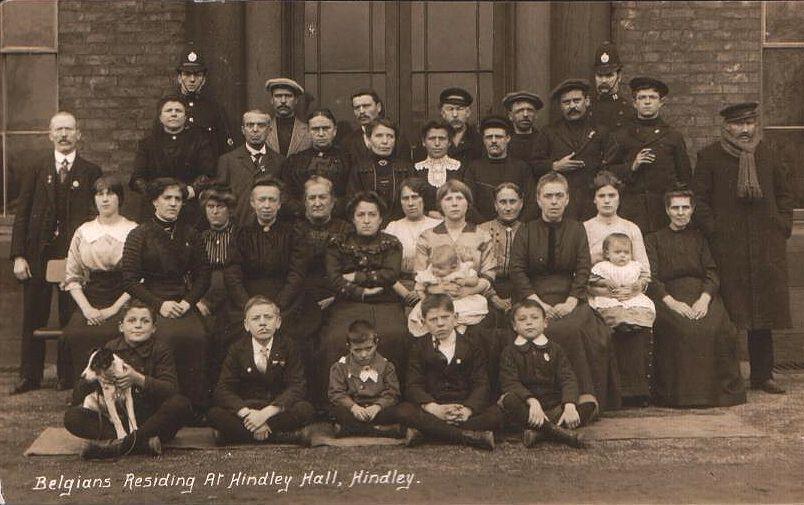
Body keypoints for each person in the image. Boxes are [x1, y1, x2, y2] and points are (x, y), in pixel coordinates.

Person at [693, 101, 795, 395]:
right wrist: (714, 231)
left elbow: (785, 194)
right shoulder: (710, 157)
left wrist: (782, 225)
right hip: (728, 246)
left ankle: (763, 375)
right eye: (739, 124)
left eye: (750, 123)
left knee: (762, 311)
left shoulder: (769, 155)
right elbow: (699, 200)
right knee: (730, 311)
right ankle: (729, 374)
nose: (746, 130)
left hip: (765, 245)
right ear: (727, 128)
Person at [510, 172, 620, 413]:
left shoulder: (576, 229)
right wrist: (536, 303)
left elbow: (583, 268)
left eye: (559, 196)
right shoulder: (526, 231)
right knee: (548, 327)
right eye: (548, 196)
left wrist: (572, 301)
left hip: (570, 296)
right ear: (538, 200)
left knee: (574, 328)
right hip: (533, 297)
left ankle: (583, 397)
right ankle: (549, 400)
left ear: (567, 199)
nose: (554, 202)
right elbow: (517, 271)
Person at [10, 111, 102, 394]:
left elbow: (93, 216)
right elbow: (22, 214)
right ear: (50, 135)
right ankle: (30, 375)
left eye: (69, 129)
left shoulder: (90, 172)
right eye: (59, 130)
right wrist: (19, 256)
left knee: (70, 314)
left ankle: (68, 374)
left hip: (73, 257)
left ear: (78, 134)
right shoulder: (36, 168)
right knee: (33, 314)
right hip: (38, 255)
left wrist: (86, 257)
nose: (64, 135)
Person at [645, 188, 746, 407]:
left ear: (692, 210)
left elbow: (711, 272)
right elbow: (651, 278)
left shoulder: (700, 238)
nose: (680, 213)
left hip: (701, 293)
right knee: (683, 328)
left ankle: (718, 394)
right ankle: (682, 396)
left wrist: (704, 299)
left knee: (717, 326)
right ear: (667, 210)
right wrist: (671, 302)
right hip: (668, 296)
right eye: (675, 208)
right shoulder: (653, 239)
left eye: (685, 207)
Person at [121, 178, 211, 412]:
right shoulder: (139, 234)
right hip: (150, 299)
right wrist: (159, 305)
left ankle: (194, 407)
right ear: (154, 202)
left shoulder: (191, 234)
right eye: (167, 198)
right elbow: (129, 279)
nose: (173, 204)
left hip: (182, 300)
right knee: (165, 339)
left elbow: (203, 276)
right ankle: (159, 405)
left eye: (178, 199)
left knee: (198, 337)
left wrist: (188, 302)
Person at [64, 299, 194, 459]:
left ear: (153, 328)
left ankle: (119, 447)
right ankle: (141, 444)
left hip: (151, 418)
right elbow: (78, 393)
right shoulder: (110, 349)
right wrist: (98, 377)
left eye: (145, 321)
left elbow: (170, 389)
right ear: (121, 326)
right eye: (132, 320)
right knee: (72, 417)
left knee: (181, 404)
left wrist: (138, 378)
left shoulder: (161, 350)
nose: (138, 326)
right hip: (119, 419)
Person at [321, 191, 407, 393]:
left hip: (386, 303)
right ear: (352, 218)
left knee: (396, 335)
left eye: (372, 215)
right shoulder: (337, 243)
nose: (366, 220)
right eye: (361, 215)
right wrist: (362, 292)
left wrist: (356, 276)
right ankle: (341, 398)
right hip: (347, 303)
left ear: (380, 219)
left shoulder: (392, 243)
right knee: (334, 339)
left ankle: (391, 396)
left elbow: (391, 274)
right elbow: (334, 279)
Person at [397, 294, 502, 450]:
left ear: (455, 317)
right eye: (433, 319)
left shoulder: (472, 346)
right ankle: (471, 436)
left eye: (445, 317)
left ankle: (427, 432)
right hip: (433, 407)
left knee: (497, 414)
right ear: (424, 322)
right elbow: (413, 385)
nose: (440, 324)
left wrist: (468, 409)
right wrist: (434, 409)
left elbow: (481, 383)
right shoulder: (418, 347)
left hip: (463, 407)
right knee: (404, 411)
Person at [61, 176, 138, 387]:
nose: (105, 199)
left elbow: (140, 278)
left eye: (110, 193)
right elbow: (72, 276)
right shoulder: (83, 231)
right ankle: (84, 390)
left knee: (120, 332)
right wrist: (87, 309)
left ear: (119, 198)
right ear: (94, 199)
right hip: (92, 296)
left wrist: (113, 310)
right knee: (75, 333)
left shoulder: (133, 230)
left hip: (124, 296)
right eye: (99, 194)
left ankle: (120, 387)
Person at [208, 296, 315, 445]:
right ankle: (283, 436)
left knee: (305, 409)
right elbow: (223, 389)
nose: (263, 323)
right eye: (256, 318)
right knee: (214, 414)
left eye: (268, 317)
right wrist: (248, 414)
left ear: (278, 322)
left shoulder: (288, 346)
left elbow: (297, 386)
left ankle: (238, 436)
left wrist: (265, 414)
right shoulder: (237, 349)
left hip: (275, 410)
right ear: (246, 325)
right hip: (248, 409)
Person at [583, 170, 652, 403]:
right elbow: (581, 269)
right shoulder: (585, 228)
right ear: (594, 199)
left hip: (630, 291)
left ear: (619, 198)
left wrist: (634, 289)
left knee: (635, 323)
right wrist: (602, 290)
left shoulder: (631, 228)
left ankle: (636, 391)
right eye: (602, 196)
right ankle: (610, 393)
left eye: (612, 195)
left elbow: (644, 268)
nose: (607, 200)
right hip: (598, 292)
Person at [499, 299, 593, 448]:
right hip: (527, 407)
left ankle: (539, 432)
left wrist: (569, 404)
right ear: (514, 326)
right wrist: (532, 401)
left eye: (535, 318)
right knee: (508, 400)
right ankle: (560, 433)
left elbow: (567, 377)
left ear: (545, 323)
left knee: (589, 402)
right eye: (522, 319)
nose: (529, 323)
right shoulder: (510, 352)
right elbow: (510, 382)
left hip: (553, 405)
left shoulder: (555, 349)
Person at [224, 177, 308, 340]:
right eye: (262, 200)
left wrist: (278, 305)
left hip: (285, 299)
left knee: (291, 333)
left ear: (279, 204)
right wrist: (247, 305)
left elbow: (297, 273)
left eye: (272, 200)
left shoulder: (293, 234)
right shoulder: (241, 234)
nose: (267, 205)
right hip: (248, 297)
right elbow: (232, 273)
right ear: (252, 203)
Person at [608, 77, 692, 234]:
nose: (647, 102)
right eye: (642, 98)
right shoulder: (622, 135)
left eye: (652, 97)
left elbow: (684, 177)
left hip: (663, 211)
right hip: (632, 211)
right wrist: (631, 167)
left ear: (661, 102)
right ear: (634, 103)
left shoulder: (672, 136)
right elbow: (608, 172)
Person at [294, 176, 351, 399]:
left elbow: (350, 269)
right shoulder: (295, 229)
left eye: (322, 197)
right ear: (305, 202)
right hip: (303, 296)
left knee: (331, 341)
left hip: (338, 295)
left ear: (333, 201)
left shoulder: (345, 229)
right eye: (312, 198)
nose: (317, 202)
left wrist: (336, 296)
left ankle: (330, 400)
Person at [129, 95, 216, 224]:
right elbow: (137, 178)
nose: (174, 114)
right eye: (169, 110)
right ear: (160, 117)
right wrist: (155, 195)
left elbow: (208, 173)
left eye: (178, 111)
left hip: (188, 207)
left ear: (185, 117)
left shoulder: (199, 141)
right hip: (155, 209)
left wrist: (190, 191)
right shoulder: (147, 144)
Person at [537, 79, 612, 222]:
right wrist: (554, 166)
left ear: (587, 101)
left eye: (577, 100)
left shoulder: (601, 131)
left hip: (593, 202)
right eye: (566, 102)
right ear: (560, 106)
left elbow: (611, 166)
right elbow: (535, 164)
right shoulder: (549, 132)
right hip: (561, 205)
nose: (572, 106)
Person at [328, 320, 406, 438]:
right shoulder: (340, 366)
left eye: (369, 348)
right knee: (336, 412)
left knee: (403, 411)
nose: (364, 354)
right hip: (354, 409)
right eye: (357, 350)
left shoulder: (387, 366)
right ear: (349, 347)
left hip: (379, 410)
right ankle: (380, 430)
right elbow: (336, 393)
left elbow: (393, 392)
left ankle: (352, 429)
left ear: (376, 343)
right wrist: (353, 407)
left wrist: (378, 406)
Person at [196, 185, 238, 386]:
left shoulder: (240, 236)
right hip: (204, 298)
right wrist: (198, 300)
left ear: (229, 209)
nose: (214, 211)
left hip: (234, 297)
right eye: (210, 206)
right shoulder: (199, 238)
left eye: (220, 207)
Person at [216, 109, 283, 226]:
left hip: (271, 230)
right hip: (237, 229)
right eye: (250, 125)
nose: (255, 130)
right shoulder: (227, 160)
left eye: (261, 125)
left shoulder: (280, 161)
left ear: (269, 130)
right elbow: (221, 199)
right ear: (243, 130)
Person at [280, 109, 351, 218]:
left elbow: (353, 194)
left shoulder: (347, 159)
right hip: (301, 221)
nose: (321, 133)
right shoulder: (294, 161)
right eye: (315, 129)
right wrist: (307, 209)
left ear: (335, 130)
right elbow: (286, 195)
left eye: (326, 128)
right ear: (308, 131)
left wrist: (329, 209)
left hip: (339, 220)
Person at [384, 178, 441, 309]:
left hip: (433, 287)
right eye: (405, 198)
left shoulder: (437, 226)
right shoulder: (393, 228)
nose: (410, 203)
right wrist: (406, 293)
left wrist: (423, 290)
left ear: (424, 199)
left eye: (415, 197)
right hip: (400, 287)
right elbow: (385, 267)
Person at [463, 116, 534, 223]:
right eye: (489, 137)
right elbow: (467, 203)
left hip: (518, 232)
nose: (494, 141)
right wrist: (486, 227)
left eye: (499, 137)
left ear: (508, 138)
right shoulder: (474, 168)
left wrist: (518, 226)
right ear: (483, 139)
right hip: (482, 230)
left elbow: (532, 203)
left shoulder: (522, 168)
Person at [408, 244, 488, 337]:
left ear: (453, 266)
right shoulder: (430, 273)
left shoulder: (463, 269)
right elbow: (419, 286)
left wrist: (465, 281)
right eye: (434, 266)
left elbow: (475, 280)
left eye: (440, 268)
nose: (435, 270)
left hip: (459, 300)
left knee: (478, 304)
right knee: (428, 312)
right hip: (437, 300)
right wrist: (424, 298)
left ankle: (458, 324)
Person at [346, 119, 414, 219]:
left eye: (390, 136)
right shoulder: (359, 170)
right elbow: (353, 204)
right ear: (368, 139)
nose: (385, 141)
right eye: (379, 136)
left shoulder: (407, 169)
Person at [173, 47, 234, 158]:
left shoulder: (215, 109)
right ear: (179, 78)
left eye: (197, 74)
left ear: (204, 79)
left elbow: (225, 151)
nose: (192, 79)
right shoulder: (168, 107)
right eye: (187, 74)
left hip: (207, 173)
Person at [588, 233, 656, 329]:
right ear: (607, 253)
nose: (622, 255)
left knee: (643, 308)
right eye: (617, 252)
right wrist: (604, 282)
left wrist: (638, 284)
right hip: (610, 297)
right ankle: (622, 324)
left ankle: (637, 323)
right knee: (613, 311)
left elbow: (645, 277)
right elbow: (590, 279)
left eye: (626, 252)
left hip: (632, 296)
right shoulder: (602, 266)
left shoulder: (635, 266)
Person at [479, 183, 525, 317]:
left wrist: (516, 298)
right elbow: (475, 270)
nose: (508, 208)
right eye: (503, 202)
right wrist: (492, 297)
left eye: (513, 202)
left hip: (521, 291)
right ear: (495, 205)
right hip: (487, 289)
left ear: (521, 204)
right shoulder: (481, 230)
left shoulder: (529, 231)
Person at [413, 87, 483, 165]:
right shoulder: (428, 140)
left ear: (468, 112)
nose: (455, 115)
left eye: (459, 109)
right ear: (443, 113)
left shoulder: (479, 141)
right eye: (450, 109)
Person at [412, 120, 467, 216]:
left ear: (449, 142)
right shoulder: (415, 169)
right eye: (432, 138)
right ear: (424, 142)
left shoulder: (461, 168)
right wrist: (427, 213)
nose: (437, 143)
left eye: (442, 139)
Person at [342, 89, 411, 163]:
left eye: (366, 106)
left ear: (378, 107)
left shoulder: (398, 138)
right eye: (357, 108)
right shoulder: (348, 142)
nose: (361, 111)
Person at [589, 41, 633, 131]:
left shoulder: (628, 111)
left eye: (609, 75)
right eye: (599, 76)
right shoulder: (587, 109)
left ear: (619, 77)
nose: (603, 80)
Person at [264, 78, 312, 159]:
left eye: (288, 96)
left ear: (296, 100)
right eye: (278, 96)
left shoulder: (309, 131)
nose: (283, 101)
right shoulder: (262, 130)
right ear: (272, 100)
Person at [502, 91, 550, 169]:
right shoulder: (503, 141)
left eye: (530, 110)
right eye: (519, 111)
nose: (525, 115)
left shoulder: (544, 139)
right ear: (510, 116)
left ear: (536, 115)